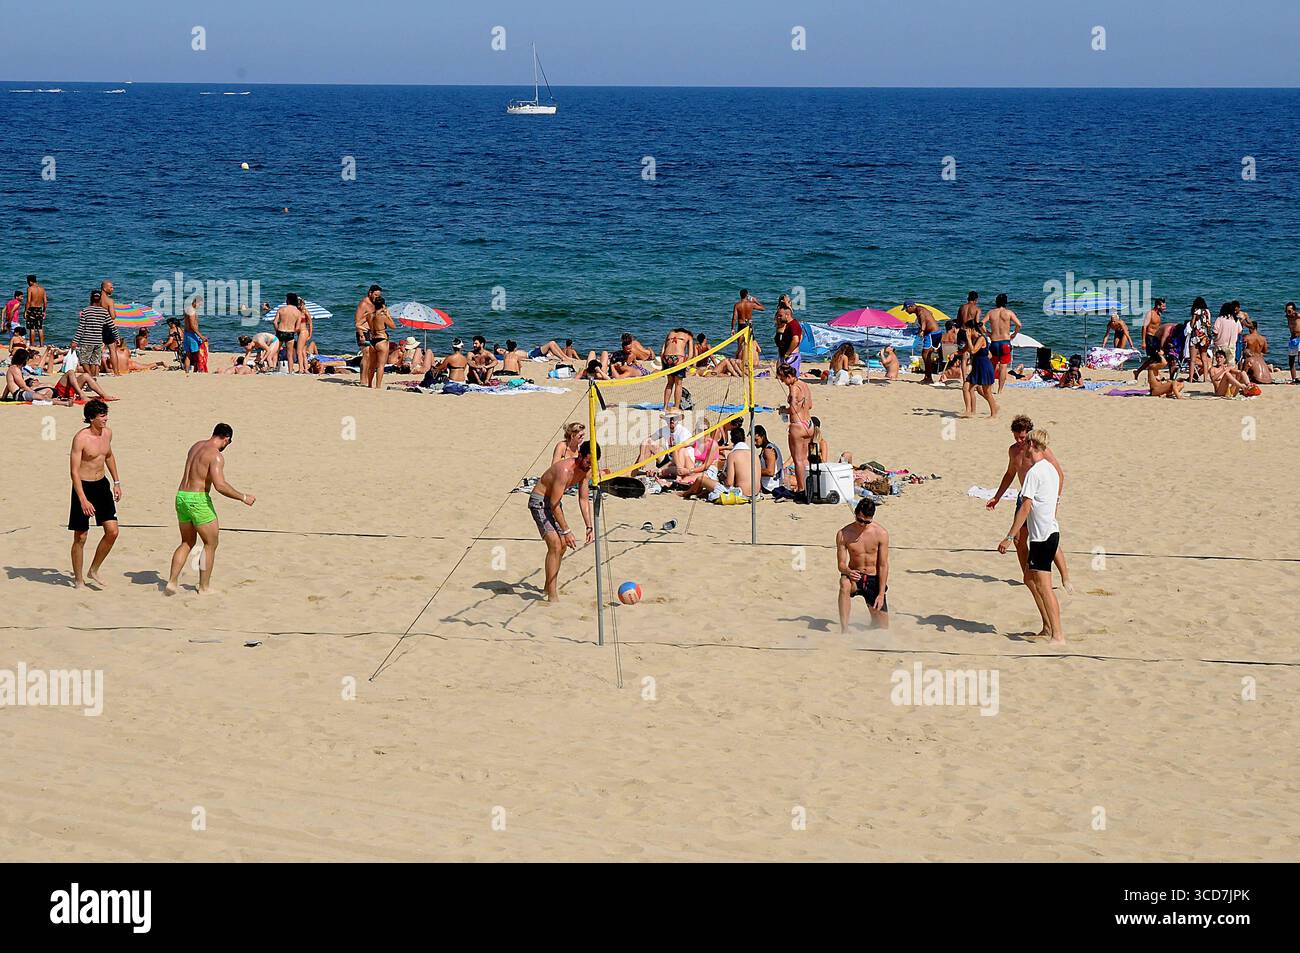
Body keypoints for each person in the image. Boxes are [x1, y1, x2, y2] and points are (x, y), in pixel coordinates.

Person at [165, 423, 256, 595]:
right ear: (226, 439)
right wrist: (243, 497)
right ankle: (204, 587)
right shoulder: (216, 456)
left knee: (187, 542)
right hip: (198, 500)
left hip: (181, 496)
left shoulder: (196, 446)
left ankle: (171, 582)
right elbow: (220, 485)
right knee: (210, 544)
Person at [987, 414, 1072, 590]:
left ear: (1029, 434)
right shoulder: (1013, 451)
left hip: (1042, 499)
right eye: (1016, 437)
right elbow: (1010, 474)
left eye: (1022, 437)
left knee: (1047, 537)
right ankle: (1028, 576)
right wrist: (997, 496)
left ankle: (1065, 577)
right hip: (1024, 496)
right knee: (1019, 540)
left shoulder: (1041, 450)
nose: (1019, 441)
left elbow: (1060, 474)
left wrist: (1056, 501)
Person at [996, 429, 1064, 643]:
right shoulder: (1051, 470)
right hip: (1050, 532)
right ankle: (1046, 627)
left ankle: (1058, 635)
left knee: (1045, 587)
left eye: (1025, 443)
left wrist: (1009, 536)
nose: (1022, 446)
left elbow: (1025, 508)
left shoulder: (1034, 473)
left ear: (1031, 446)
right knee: (1029, 578)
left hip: (1042, 537)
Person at [528, 440, 594, 602]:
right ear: (581, 455)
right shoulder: (564, 470)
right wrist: (567, 530)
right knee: (555, 544)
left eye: (593, 462)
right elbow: (553, 504)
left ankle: (547, 586)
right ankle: (552, 595)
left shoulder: (586, 471)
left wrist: (589, 526)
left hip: (553, 503)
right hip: (540, 502)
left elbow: (584, 499)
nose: (589, 465)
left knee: (562, 545)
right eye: (588, 461)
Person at [68, 399, 121, 589]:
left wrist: (116, 482)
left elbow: (108, 456)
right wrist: (82, 499)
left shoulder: (107, 433)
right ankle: (78, 579)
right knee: (81, 537)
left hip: (101, 486)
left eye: (106, 415)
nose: (106, 419)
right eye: (102, 416)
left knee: (113, 531)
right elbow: (74, 471)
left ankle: (94, 569)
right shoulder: (81, 438)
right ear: (91, 418)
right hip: (83, 487)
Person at [836, 498, 890, 632]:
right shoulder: (844, 534)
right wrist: (848, 571)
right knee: (844, 583)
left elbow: (883, 565)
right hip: (855, 576)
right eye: (860, 520)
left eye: (867, 522)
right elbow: (841, 564)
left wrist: (881, 594)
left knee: (882, 626)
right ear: (855, 513)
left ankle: (873, 614)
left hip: (873, 578)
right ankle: (844, 630)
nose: (863, 524)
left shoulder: (881, 534)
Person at [777, 362, 813, 500]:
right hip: (809, 424)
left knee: (798, 460)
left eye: (783, 379)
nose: (783, 382)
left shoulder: (793, 388)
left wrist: (783, 410)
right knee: (805, 459)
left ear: (789, 376)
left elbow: (793, 410)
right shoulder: (805, 385)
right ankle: (808, 486)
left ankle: (801, 489)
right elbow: (810, 405)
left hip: (797, 425)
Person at [984, 293, 1021, 392]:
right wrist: (1014, 334)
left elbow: (981, 324)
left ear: (996, 302)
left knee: (993, 365)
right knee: (1003, 367)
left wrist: (988, 333)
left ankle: (990, 387)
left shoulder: (991, 312)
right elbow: (1019, 324)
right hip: (1005, 342)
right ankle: (1000, 390)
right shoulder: (1009, 313)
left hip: (994, 341)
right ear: (1006, 302)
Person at [962, 318, 999, 419]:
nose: (966, 331)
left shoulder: (981, 338)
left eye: (967, 329)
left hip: (984, 367)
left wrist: (969, 338)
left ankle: (994, 413)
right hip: (976, 367)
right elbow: (966, 350)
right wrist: (954, 353)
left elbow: (973, 351)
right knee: (966, 387)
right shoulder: (973, 339)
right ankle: (968, 411)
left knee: (987, 392)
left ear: (972, 329)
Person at [72, 289, 113, 376]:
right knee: (94, 362)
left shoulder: (85, 311)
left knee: (84, 361)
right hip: (98, 341)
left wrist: (75, 341)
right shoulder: (104, 312)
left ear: (91, 298)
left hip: (87, 340)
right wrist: (116, 337)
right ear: (100, 299)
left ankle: (90, 376)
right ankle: (93, 378)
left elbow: (81, 327)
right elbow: (111, 325)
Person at [1132, 298, 1167, 379]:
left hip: (1155, 339)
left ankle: (1138, 372)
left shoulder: (1158, 314)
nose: (1165, 308)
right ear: (1158, 306)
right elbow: (1144, 327)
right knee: (1156, 357)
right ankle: (1156, 375)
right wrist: (1143, 341)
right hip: (1149, 338)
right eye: (1163, 306)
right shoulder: (1150, 313)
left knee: (1153, 359)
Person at [354, 283, 383, 381]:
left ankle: (366, 377)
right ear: (370, 293)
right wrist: (361, 334)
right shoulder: (363, 304)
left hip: (371, 333)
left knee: (370, 355)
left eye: (379, 296)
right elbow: (357, 321)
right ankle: (363, 379)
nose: (377, 297)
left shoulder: (375, 303)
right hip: (363, 332)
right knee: (366, 354)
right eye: (375, 295)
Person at [366, 296, 396, 388]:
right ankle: (378, 386)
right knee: (380, 366)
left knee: (371, 365)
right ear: (383, 305)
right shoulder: (382, 316)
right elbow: (393, 326)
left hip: (372, 341)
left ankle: (370, 384)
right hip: (382, 340)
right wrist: (388, 315)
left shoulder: (369, 315)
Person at [659, 326, 692, 409]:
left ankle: (665, 406)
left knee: (669, 383)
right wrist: (687, 364)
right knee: (678, 384)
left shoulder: (670, 334)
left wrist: (663, 366)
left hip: (667, 358)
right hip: (678, 358)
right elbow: (691, 353)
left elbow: (662, 352)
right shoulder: (688, 335)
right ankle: (676, 407)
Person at [269, 294, 302, 373]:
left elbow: (275, 322)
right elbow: (297, 328)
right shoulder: (298, 312)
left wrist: (277, 330)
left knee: (276, 352)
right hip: (290, 333)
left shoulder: (281, 309)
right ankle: (290, 371)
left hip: (280, 331)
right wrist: (292, 331)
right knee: (290, 354)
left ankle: (274, 368)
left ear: (288, 300)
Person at [1187, 297, 1214, 382]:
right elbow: (1209, 324)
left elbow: (1192, 324)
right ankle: (1205, 379)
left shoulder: (1196, 311)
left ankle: (1191, 379)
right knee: (1204, 359)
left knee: (1192, 360)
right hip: (1205, 337)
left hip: (1196, 335)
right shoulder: (1208, 312)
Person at [753, 424, 785, 495]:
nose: (754, 443)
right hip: (776, 484)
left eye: (756, 440)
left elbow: (770, 472)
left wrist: (754, 471)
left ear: (763, 437)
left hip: (769, 487)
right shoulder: (771, 447)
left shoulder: (768, 451)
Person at [774, 305, 803, 378]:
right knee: (783, 377)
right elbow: (801, 336)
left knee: (790, 378)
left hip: (791, 356)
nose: (779, 317)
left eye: (780, 316)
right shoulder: (788, 324)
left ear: (787, 315)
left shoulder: (793, 324)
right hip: (785, 355)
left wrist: (787, 353)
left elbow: (796, 340)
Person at [1211, 301, 1240, 372]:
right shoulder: (1236, 320)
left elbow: (1215, 331)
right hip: (1231, 345)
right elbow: (1239, 331)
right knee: (1231, 365)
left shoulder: (1220, 319)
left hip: (1219, 345)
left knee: (1217, 364)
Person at [182, 294, 205, 374]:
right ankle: (195, 371)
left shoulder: (187, 309)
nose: (200, 306)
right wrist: (201, 336)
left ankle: (187, 372)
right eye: (199, 304)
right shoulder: (192, 311)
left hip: (187, 334)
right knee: (196, 354)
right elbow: (192, 326)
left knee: (188, 354)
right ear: (196, 302)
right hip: (192, 335)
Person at [24, 275, 47, 348]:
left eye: (28, 282)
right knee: (40, 328)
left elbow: (28, 301)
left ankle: (32, 345)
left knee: (32, 328)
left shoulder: (30, 289)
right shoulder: (42, 289)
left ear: (30, 281)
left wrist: (25, 311)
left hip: (31, 309)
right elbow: (45, 302)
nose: (28, 283)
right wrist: (44, 311)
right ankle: (41, 345)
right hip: (39, 309)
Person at [295, 295, 315, 372]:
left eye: (302, 304)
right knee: (303, 351)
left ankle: (301, 369)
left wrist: (310, 334)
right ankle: (306, 368)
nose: (301, 306)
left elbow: (310, 323)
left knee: (299, 351)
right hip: (300, 333)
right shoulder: (297, 312)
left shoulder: (305, 311)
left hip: (303, 332)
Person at [1286, 301, 1300, 384]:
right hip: (1292, 339)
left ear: (1294, 310)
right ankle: (1294, 379)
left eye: (1289, 311)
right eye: (1286, 311)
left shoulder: (1297, 316)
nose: (1288, 313)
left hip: (1299, 338)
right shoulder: (1287, 317)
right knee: (1291, 361)